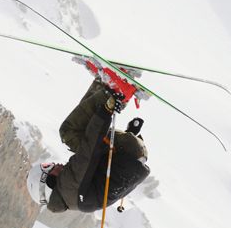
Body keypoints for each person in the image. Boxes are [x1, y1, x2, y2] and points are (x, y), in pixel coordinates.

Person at [26, 68, 150, 213]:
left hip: (131, 154)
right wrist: (106, 110)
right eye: (48, 167)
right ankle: (113, 88)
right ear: (49, 182)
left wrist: (130, 134)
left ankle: (106, 84)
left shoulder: (73, 199)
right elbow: (89, 150)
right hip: (127, 152)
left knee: (83, 132)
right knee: (69, 133)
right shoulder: (68, 185)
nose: (54, 164)